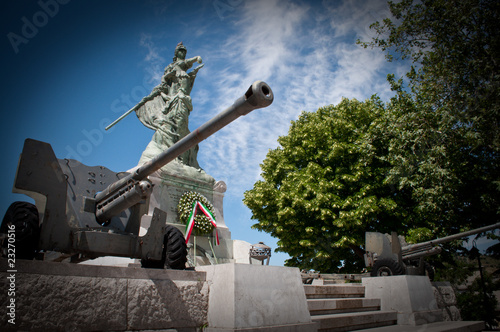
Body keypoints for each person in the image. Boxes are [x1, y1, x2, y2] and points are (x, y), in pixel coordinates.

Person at [134, 42, 213, 183]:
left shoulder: (184, 74)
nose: (183, 54)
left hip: (182, 100)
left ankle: (181, 157)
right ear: (177, 54)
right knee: (171, 124)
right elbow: (165, 84)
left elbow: (186, 67)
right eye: (181, 52)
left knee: (181, 124)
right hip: (172, 100)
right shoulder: (172, 68)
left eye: (184, 52)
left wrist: (194, 64)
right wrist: (195, 59)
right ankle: (174, 155)